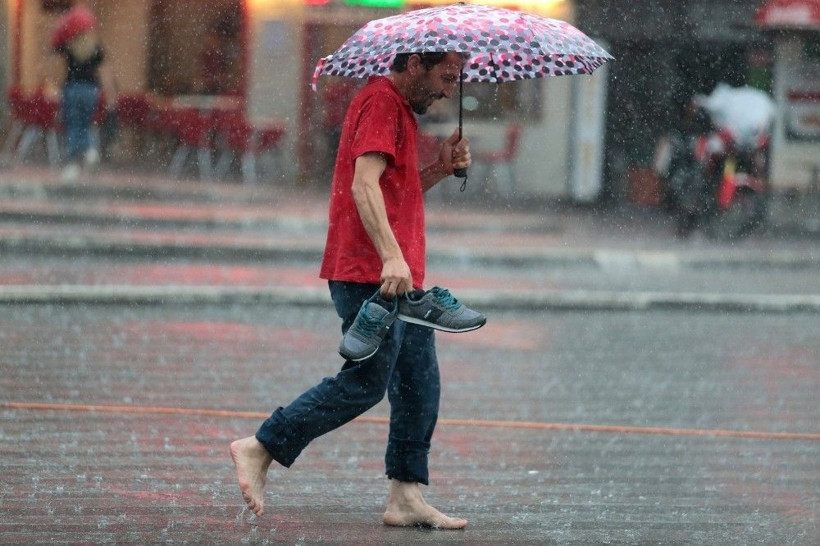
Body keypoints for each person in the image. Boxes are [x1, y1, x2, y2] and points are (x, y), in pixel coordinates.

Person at [230, 51, 472, 529]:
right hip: (372, 275)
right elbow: (364, 186)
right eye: (445, 76)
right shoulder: (381, 101)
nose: (449, 90)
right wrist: (391, 255)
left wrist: (441, 169)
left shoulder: (399, 110)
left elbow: (393, 192)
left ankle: (405, 494)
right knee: (364, 384)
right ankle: (261, 446)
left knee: (419, 384)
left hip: (399, 277)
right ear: (416, 63)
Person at [55, 26, 105, 179]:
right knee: (86, 122)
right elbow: (101, 65)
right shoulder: (95, 48)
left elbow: (56, 50)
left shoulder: (70, 47)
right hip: (91, 89)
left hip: (73, 87)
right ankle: (90, 150)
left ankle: (73, 162)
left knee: (74, 123)